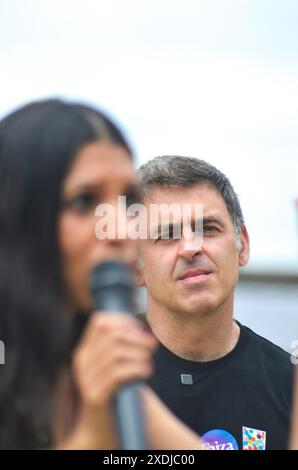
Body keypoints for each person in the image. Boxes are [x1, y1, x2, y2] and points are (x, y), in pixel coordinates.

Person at [0, 101, 202, 450]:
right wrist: (94, 435)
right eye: (83, 201)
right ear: (19, 219)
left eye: (128, 201)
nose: (119, 228)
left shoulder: (90, 362)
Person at [136, 155, 294, 450]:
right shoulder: (94, 377)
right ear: (135, 267)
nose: (191, 248)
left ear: (242, 245)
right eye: (167, 235)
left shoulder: (289, 386)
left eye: (208, 228)